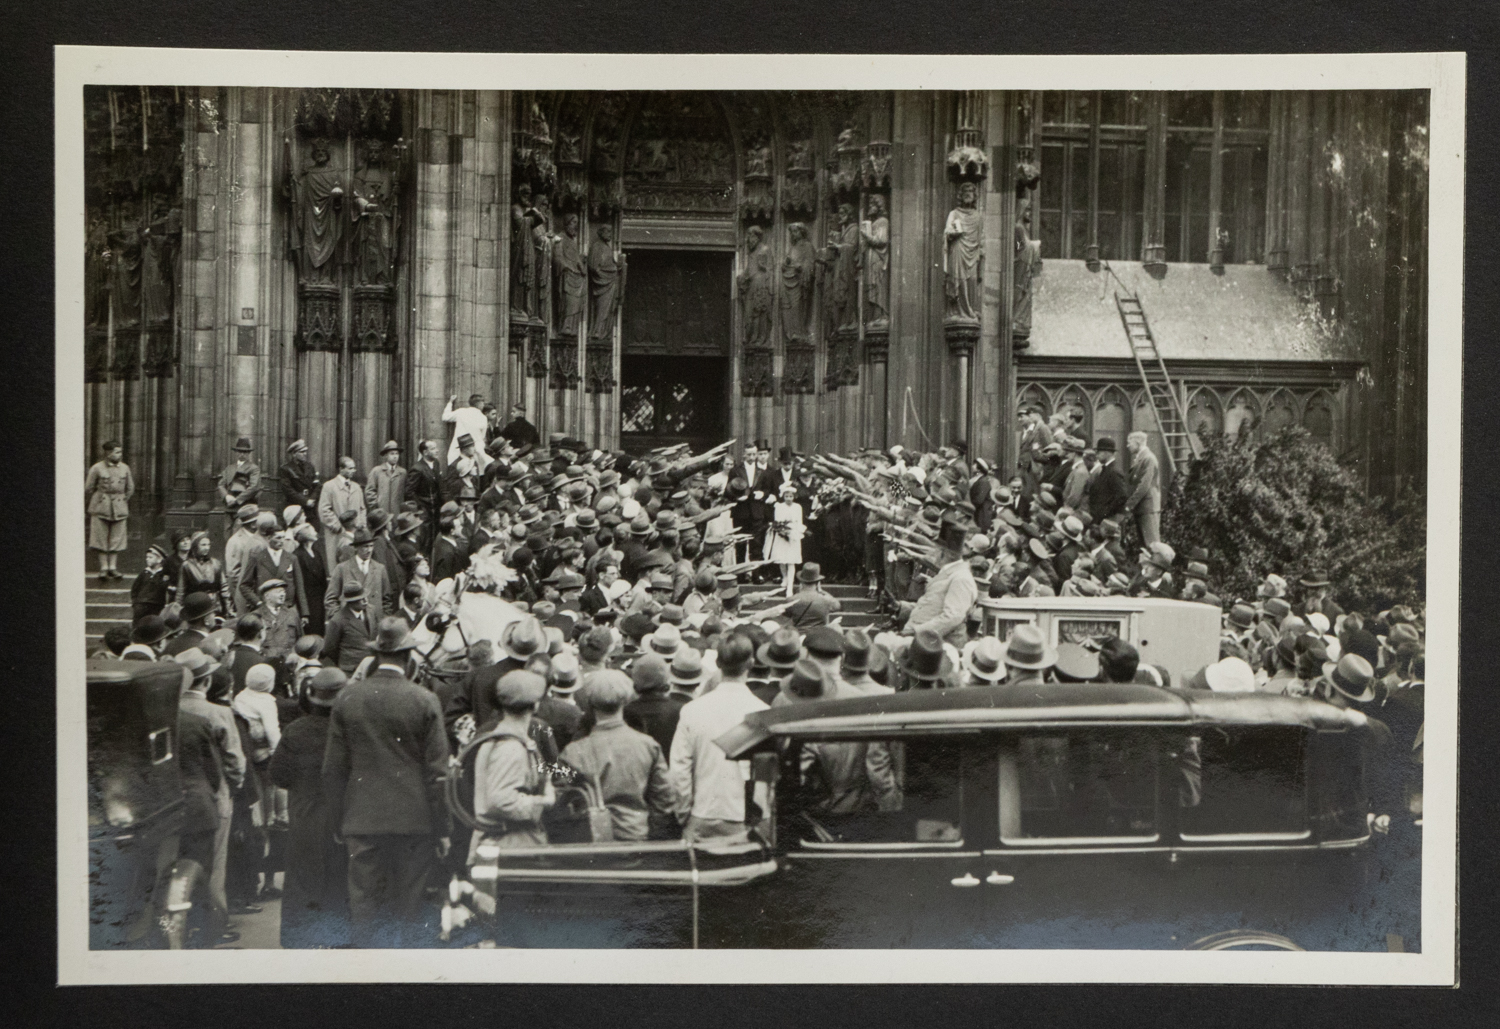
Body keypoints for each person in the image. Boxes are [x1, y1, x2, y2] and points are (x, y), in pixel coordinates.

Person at [322, 617, 452, 948]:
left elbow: (333, 769)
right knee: (411, 905)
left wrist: (338, 821)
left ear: (376, 655)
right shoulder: (424, 699)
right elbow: (438, 772)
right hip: (414, 819)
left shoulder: (347, 698)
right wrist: (443, 827)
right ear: (409, 658)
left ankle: (368, 975)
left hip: (361, 818)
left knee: (364, 904)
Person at [269, 667, 351, 948]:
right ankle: (340, 939)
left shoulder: (296, 730)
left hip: (305, 815)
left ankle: (298, 939)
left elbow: (278, 774)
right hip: (344, 816)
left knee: (302, 878)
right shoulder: (352, 731)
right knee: (341, 878)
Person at [174, 648, 247, 947]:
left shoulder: (171, 709)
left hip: (177, 797)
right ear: (205, 682)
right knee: (215, 865)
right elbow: (235, 761)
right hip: (214, 795)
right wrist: (234, 787)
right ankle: (215, 925)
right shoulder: (219, 713)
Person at [668, 634, 770, 841]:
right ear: (751, 663)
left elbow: (679, 772)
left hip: (703, 812)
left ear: (717, 664)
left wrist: (684, 814)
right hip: (748, 817)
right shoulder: (763, 712)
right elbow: (768, 777)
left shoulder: (692, 710)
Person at [560, 670, 677, 842]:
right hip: (636, 837)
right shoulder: (647, 745)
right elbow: (664, 799)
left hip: (590, 841)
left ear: (590, 703)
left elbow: (562, 801)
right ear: (625, 700)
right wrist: (651, 831)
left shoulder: (573, 751)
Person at [903, 531, 984, 649]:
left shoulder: (961, 578)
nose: (933, 553)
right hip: (928, 642)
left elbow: (952, 617)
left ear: (945, 554)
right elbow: (933, 606)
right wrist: (900, 607)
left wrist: (917, 632)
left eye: (936, 549)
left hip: (939, 646)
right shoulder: (951, 572)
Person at [85, 440, 134, 582]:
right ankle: (103, 568)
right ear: (108, 453)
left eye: (120, 452)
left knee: (116, 538)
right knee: (100, 538)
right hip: (101, 506)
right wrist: (100, 497)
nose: (120, 455)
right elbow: (88, 487)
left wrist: (123, 499)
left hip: (119, 507)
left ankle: (113, 567)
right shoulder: (97, 468)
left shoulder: (125, 468)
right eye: (117, 452)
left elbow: (130, 487)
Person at [325, 528, 394, 620]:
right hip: (351, 623)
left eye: (371, 546)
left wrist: (383, 619)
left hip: (375, 623)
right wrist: (341, 621)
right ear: (356, 547)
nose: (369, 550)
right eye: (365, 546)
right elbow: (330, 599)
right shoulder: (342, 568)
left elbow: (387, 600)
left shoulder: (380, 569)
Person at [318, 456, 367, 569]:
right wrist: (338, 526)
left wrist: (360, 524)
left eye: (354, 468)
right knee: (337, 562)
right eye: (350, 468)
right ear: (341, 469)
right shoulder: (329, 486)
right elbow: (324, 509)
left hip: (354, 532)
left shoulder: (356, 487)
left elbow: (362, 508)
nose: (353, 471)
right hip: (337, 533)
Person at [322, 580, 375, 675]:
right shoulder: (338, 620)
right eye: (361, 599)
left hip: (371, 667)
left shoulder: (371, 612)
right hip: (351, 671)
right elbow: (329, 648)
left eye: (365, 597)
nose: (365, 601)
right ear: (351, 602)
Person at [764, 481, 805, 597]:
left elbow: (799, 522)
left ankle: (790, 588)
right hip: (782, 534)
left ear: (794, 497)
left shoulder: (798, 507)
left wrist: (794, 532)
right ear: (783, 496)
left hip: (793, 536)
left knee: (791, 561)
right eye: (786, 496)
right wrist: (782, 531)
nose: (788, 498)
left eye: (791, 496)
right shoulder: (779, 506)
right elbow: (777, 521)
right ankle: (785, 577)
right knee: (782, 559)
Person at [403, 439, 444, 555]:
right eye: (433, 449)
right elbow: (409, 492)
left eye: (436, 448)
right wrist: (421, 508)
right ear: (425, 452)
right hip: (424, 512)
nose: (437, 450)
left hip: (435, 510)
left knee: (435, 540)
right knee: (425, 540)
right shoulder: (417, 468)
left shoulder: (436, 464)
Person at [178, 531, 232, 618]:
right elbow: (180, 592)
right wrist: (178, 611)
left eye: (208, 545)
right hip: (195, 606)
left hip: (213, 606)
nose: (207, 548)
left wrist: (228, 608)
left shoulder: (215, 563)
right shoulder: (187, 566)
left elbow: (224, 587)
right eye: (203, 545)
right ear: (195, 546)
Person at [1124, 431, 1162, 547]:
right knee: (1146, 546)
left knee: (1152, 545)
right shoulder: (1142, 458)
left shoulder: (1148, 458)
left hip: (1147, 507)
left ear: (1138, 442)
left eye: (1129, 442)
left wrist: (1129, 505)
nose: (1128, 445)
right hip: (1143, 507)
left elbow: (1144, 485)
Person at [293, 523, 328, 636]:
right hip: (308, 601)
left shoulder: (316, 553)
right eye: (313, 531)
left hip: (319, 599)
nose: (316, 533)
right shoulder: (297, 555)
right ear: (305, 535)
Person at [217, 437, 262, 521]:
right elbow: (221, 484)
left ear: (248, 453)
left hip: (245, 506)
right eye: (240, 451)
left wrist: (237, 500)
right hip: (229, 506)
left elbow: (254, 486)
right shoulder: (229, 468)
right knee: (227, 530)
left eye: (245, 452)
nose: (242, 454)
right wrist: (226, 496)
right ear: (236, 452)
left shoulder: (253, 468)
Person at [279, 440, 322, 526]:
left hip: (310, 508)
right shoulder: (286, 469)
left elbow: (317, 485)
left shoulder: (310, 466)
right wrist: (305, 501)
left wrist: (312, 499)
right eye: (302, 452)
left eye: (305, 451)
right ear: (294, 454)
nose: (305, 454)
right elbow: (288, 490)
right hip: (295, 506)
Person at [442, 394, 491, 466]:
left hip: (459, 448)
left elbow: (445, 417)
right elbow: (482, 437)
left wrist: (450, 402)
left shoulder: (461, 412)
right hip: (475, 449)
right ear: (480, 404)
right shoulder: (483, 418)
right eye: (483, 403)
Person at [365, 440, 407, 518]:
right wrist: (375, 507)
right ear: (386, 455)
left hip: (397, 512)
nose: (395, 456)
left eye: (397, 454)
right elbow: (370, 491)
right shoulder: (377, 471)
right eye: (392, 454)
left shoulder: (403, 472)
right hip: (381, 512)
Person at [130, 544, 171, 622]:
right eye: (147, 557)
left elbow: (163, 586)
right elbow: (135, 588)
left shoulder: (163, 574)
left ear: (159, 560)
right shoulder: (144, 573)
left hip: (156, 604)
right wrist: (135, 602)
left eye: (150, 557)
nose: (147, 559)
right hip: (141, 604)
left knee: (153, 623)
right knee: (138, 623)